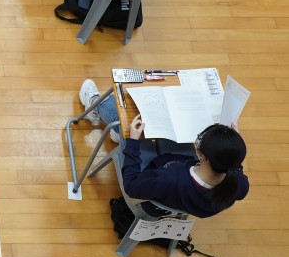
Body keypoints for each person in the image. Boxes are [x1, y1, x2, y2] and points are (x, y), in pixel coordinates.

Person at [76, 81, 248, 218]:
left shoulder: (165, 180)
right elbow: (236, 168)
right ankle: (118, 131)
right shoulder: (237, 184)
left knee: (125, 121)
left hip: (158, 168)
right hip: (179, 170)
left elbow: (131, 185)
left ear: (202, 155)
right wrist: (231, 142)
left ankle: (95, 105)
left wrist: (133, 142)